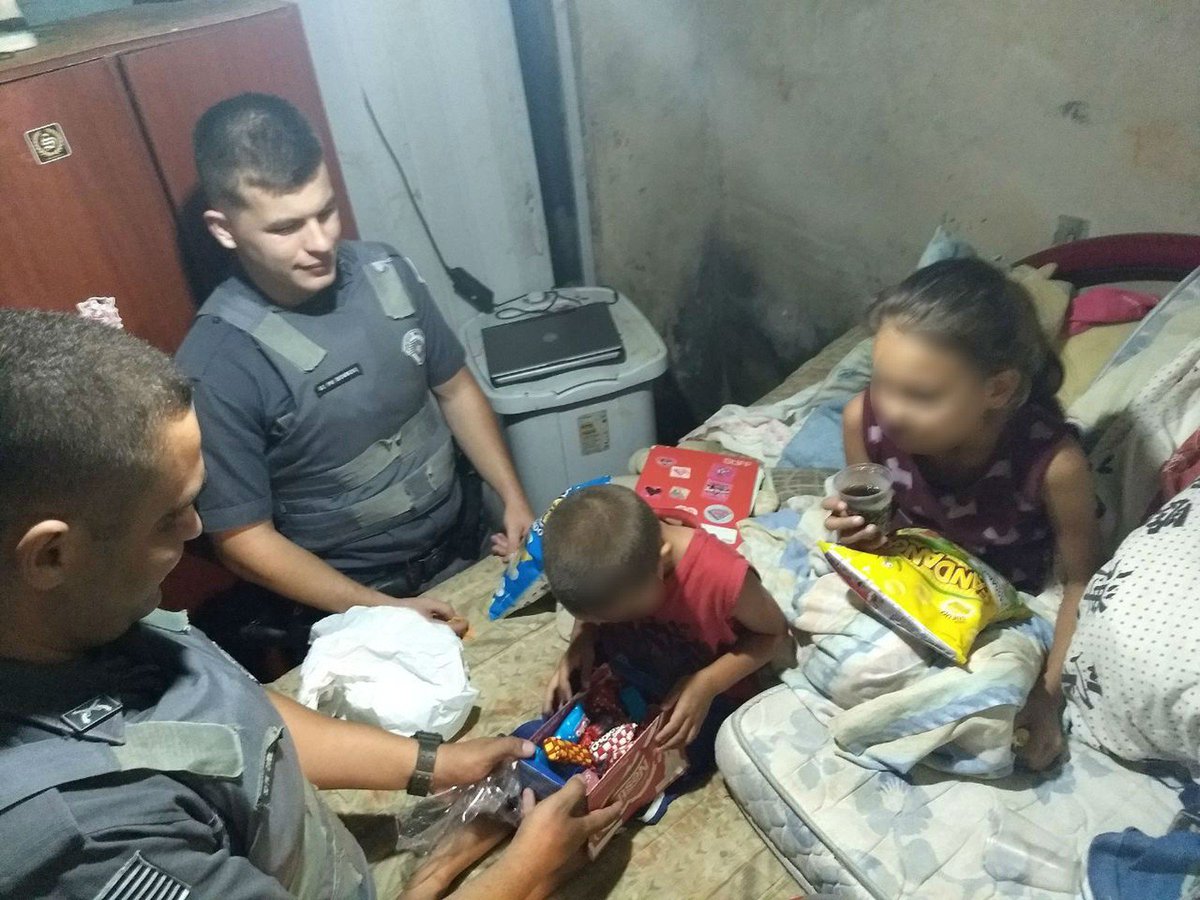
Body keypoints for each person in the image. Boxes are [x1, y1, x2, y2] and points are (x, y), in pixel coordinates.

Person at [0, 309, 618, 899]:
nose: (196, 530)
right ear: (51, 556)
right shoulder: (86, 842)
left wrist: (439, 763)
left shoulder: (87, 613)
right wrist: (527, 875)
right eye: (170, 516)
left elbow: (225, 721)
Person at [174, 93, 534, 657]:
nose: (320, 243)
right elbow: (243, 540)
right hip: (355, 601)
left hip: (470, 544)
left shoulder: (386, 273)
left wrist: (512, 495)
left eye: (326, 212)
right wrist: (377, 607)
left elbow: (456, 388)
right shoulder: (218, 366)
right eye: (286, 227)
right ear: (224, 230)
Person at [822, 258, 1099, 771]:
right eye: (881, 382)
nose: (891, 410)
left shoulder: (1053, 465)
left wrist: (1048, 696)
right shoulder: (864, 419)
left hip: (1004, 603)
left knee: (1001, 707)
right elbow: (881, 530)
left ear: (997, 389)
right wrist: (859, 535)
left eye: (920, 395)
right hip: (918, 575)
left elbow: (1080, 583)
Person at [541, 484, 788, 754]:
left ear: (662, 561)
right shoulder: (624, 560)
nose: (602, 624)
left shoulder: (722, 577)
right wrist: (582, 637)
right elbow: (593, 613)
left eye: (622, 615)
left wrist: (709, 682)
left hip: (706, 691)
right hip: (630, 671)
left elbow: (775, 634)